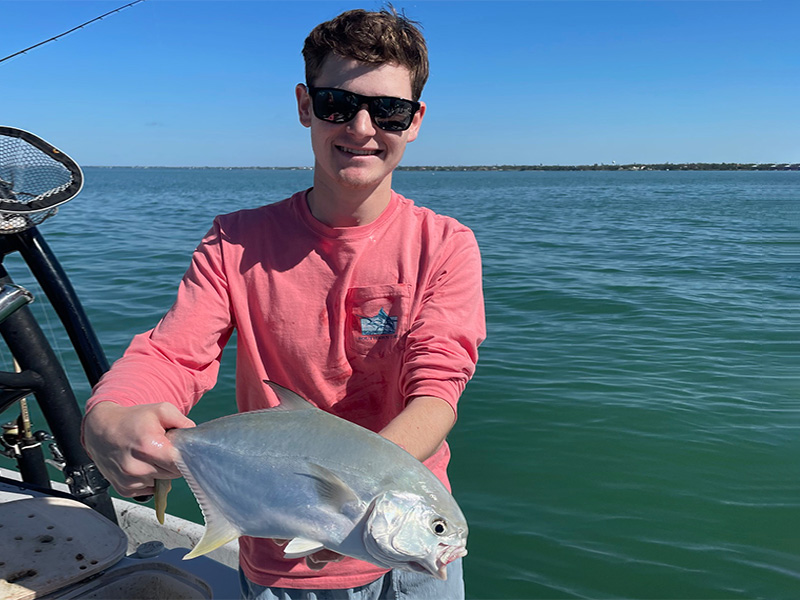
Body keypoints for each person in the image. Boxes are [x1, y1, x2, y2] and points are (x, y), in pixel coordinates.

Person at [81, 7, 485, 599]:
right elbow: (174, 353)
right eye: (337, 104)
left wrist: (365, 504)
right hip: (277, 551)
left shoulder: (444, 245)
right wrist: (108, 414)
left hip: (413, 548)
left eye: (389, 111)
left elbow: (438, 386)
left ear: (415, 120)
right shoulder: (235, 241)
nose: (363, 128)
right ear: (304, 105)